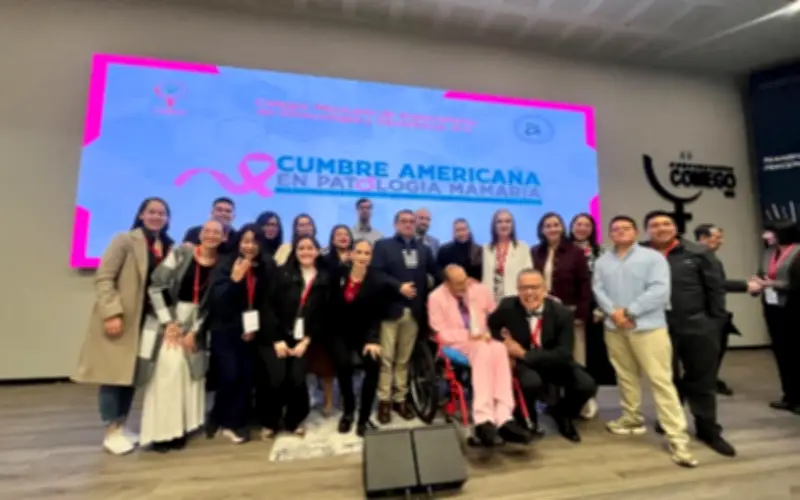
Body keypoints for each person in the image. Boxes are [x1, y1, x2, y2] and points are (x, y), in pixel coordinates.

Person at [592, 215, 697, 468]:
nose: (620, 232)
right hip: (614, 328)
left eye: (626, 228)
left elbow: (659, 291)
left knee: (661, 381)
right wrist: (614, 313)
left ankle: (677, 438)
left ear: (636, 232)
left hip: (648, 328)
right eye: (615, 229)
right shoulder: (603, 261)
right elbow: (598, 290)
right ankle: (631, 418)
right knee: (625, 376)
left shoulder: (653, 258)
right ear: (610, 234)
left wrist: (629, 312)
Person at [72, 197, 173, 455]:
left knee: (130, 375)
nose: (157, 217)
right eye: (151, 212)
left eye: (162, 213)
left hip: (148, 322)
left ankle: (122, 425)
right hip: (124, 318)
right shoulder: (125, 240)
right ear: (141, 215)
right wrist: (112, 313)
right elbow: (104, 278)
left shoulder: (167, 245)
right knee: (112, 376)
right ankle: (111, 429)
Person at [642, 211, 734, 457]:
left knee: (701, 379)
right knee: (666, 378)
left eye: (666, 224)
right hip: (657, 327)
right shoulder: (640, 253)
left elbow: (716, 289)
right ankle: (671, 419)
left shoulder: (699, 252)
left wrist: (715, 322)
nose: (661, 228)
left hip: (697, 326)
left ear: (675, 228)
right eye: (654, 225)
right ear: (647, 230)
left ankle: (708, 429)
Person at [141, 219, 223, 451]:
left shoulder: (221, 264)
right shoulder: (180, 254)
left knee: (190, 376)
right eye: (207, 230)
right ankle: (162, 433)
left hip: (197, 325)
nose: (211, 235)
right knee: (168, 374)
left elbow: (211, 304)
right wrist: (169, 322)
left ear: (223, 237)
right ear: (200, 233)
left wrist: (195, 331)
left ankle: (181, 429)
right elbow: (156, 286)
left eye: (216, 232)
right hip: (170, 321)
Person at [488, 269, 596, 443]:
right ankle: (527, 419)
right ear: (517, 289)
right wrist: (504, 341)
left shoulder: (562, 313)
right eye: (524, 288)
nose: (529, 293)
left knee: (587, 385)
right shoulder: (507, 306)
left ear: (545, 289)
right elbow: (491, 326)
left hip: (553, 361)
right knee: (530, 382)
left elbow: (564, 353)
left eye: (535, 287)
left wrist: (525, 354)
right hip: (524, 364)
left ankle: (563, 413)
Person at [429, 265, 531, 446]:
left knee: (499, 349)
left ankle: (504, 417)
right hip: (455, 343)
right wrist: (471, 336)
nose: (464, 286)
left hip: (485, 338)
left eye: (465, 281)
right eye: (458, 284)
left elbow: (495, 317)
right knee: (482, 350)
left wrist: (497, 334)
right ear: (447, 283)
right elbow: (441, 334)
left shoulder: (480, 290)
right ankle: (484, 419)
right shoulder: (435, 298)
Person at [207, 223, 280, 444]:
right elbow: (216, 300)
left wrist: (253, 329)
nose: (250, 246)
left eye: (254, 241)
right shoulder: (226, 264)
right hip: (225, 329)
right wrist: (234, 280)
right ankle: (224, 420)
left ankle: (234, 420)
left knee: (245, 377)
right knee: (229, 375)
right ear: (238, 243)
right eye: (246, 241)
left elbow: (266, 301)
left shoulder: (265, 266)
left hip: (251, 331)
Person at [371, 209, 439, 423]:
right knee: (386, 360)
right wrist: (398, 286)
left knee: (404, 360)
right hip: (390, 311)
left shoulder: (424, 249)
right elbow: (376, 274)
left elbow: (436, 273)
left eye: (411, 221)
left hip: (414, 313)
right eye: (404, 221)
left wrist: (460, 280)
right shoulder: (383, 246)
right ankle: (384, 401)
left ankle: (400, 399)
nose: (408, 224)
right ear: (395, 224)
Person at [259, 235, 330, 437]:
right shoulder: (281, 274)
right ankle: (270, 422)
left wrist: (307, 341)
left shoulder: (324, 278)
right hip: (276, 337)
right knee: (276, 378)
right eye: (301, 248)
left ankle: (293, 420)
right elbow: (267, 306)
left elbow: (323, 315)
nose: (306, 252)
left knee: (297, 379)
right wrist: (276, 339)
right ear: (295, 252)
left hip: (304, 339)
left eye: (310, 248)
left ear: (317, 251)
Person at [531, 212, 594, 418]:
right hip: (544, 314)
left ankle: (582, 402)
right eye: (547, 225)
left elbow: (584, 284)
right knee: (549, 358)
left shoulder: (575, 252)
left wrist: (581, 313)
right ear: (542, 230)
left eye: (556, 225)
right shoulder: (535, 252)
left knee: (576, 357)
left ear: (562, 227)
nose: (552, 229)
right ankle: (552, 402)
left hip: (570, 313)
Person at [330, 239, 394, 436]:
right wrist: (351, 284)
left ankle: (364, 416)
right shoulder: (339, 274)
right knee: (343, 365)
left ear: (371, 257)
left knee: (373, 364)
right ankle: (348, 412)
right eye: (359, 252)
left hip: (364, 334)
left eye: (367, 253)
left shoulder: (376, 280)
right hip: (339, 331)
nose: (362, 257)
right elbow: (331, 306)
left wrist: (373, 340)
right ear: (351, 254)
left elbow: (377, 314)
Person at [748, 221, 800, 413]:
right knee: (781, 353)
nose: (765, 236)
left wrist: (771, 284)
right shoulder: (768, 253)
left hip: (795, 309)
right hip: (774, 309)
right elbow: (762, 275)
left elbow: (796, 283)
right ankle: (789, 396)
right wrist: (756, 284)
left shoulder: (798, 253)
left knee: (796, 353)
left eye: (769, 232)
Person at [694, 223, 746, 396]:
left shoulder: (712, 258)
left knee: (716, 351)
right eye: (717, 237)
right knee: (706, 353)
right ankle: (704, 384)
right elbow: (716, 284)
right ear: (703, 238)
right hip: (705, 314)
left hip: (716, 313)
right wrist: (746, 285)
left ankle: (711, 380)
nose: (721, 241)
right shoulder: (699, 259)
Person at [568, 213, 616, 389]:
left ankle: (593, 393)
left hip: (596, 308)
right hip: (571, 307)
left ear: (592, 229)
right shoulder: (564, 249)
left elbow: (609, 281)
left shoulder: (602, 251)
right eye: (578, 224)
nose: (582, 228)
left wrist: (602, 309)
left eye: (586, 225)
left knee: (594, 353)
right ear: (572, 227)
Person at [481, 209, 533, 303]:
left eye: (508, 221)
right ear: (494, 226)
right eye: (499, 222)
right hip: (490, 300)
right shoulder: (485, 249)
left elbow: (528, 276)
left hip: (515, 299)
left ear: (512, 225)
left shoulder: (523, 248)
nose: (504, 225)